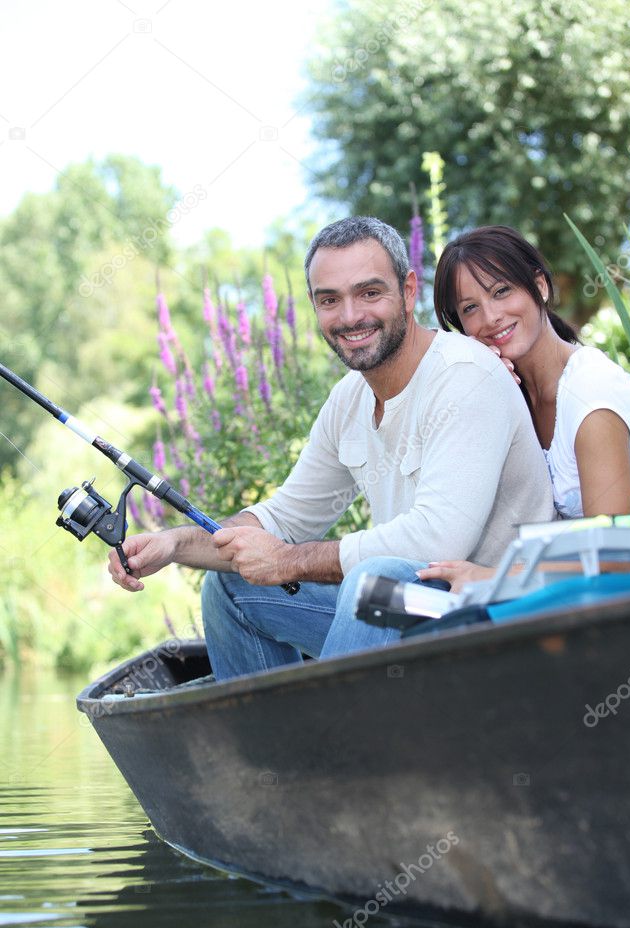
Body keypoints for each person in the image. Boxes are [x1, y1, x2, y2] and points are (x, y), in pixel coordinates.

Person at [108, 216, 553, 677]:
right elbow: (284, 518)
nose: (350, 316)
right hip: (415, 615)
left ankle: (337, 743)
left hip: (500, 623)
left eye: (369, 293)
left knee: (375, 583)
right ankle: (274, 745)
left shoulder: (466, 376)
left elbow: (436, 542)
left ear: (407, 290)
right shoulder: (349, 400)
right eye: (330, 300)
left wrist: (287, 561)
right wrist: (173, 543)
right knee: (230, 588)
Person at [416, 224, 630, 591]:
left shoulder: (591, 393)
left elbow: (619, 556)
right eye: (470, 308)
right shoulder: (515, 394)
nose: (491, 316)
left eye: (502, 291)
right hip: (609, 594)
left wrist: (491, 578)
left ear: (539, 286)